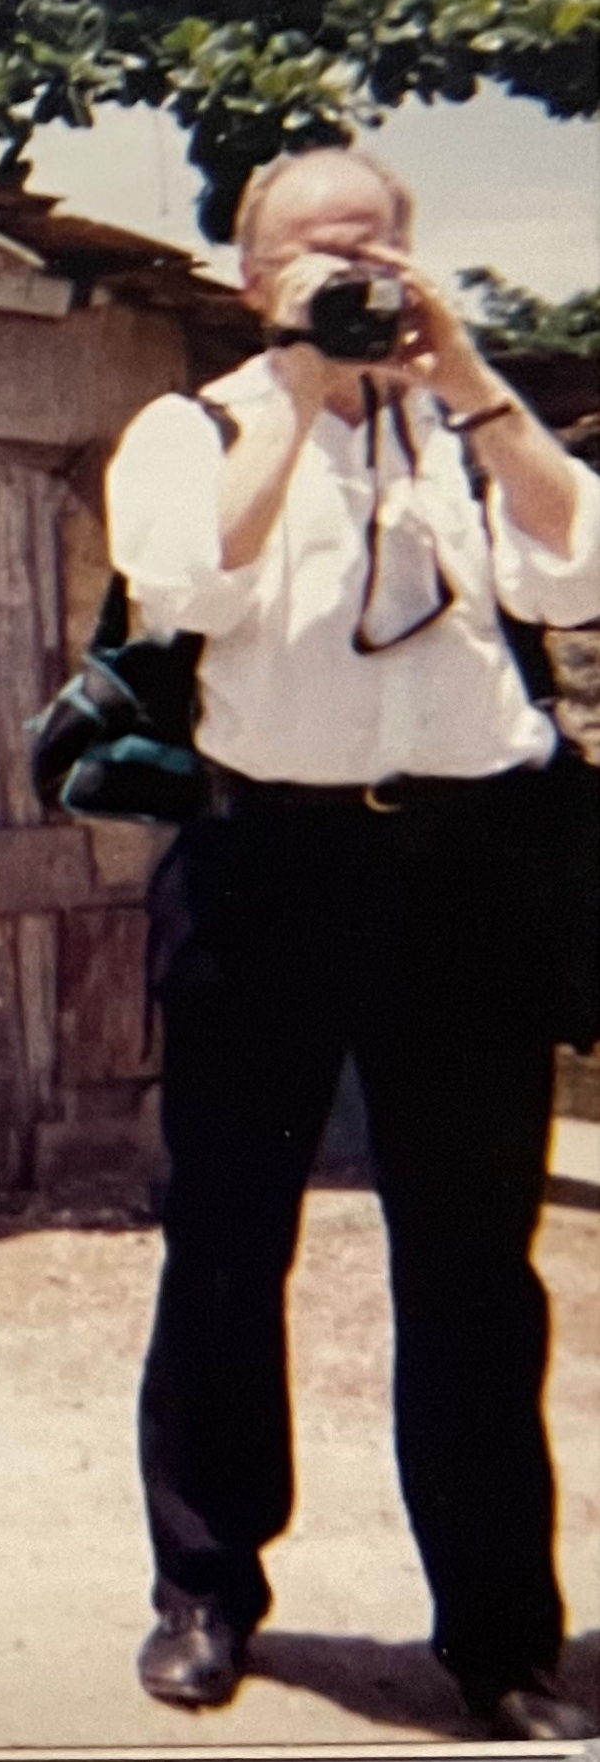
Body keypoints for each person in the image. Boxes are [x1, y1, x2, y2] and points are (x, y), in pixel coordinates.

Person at [106, 144, 600, 1740]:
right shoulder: (194, 429)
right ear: (254, 282)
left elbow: (575, 558)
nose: (358, 273)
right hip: (270, 859)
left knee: (471, 1261)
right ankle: (204, 1587)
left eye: (382, 247)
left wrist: (458, 372)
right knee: (228, 1234)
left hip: (467, 866)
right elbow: (187, 583)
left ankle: (500, 1635)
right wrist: (305, 395)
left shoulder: (469, 424)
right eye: (324, 256)